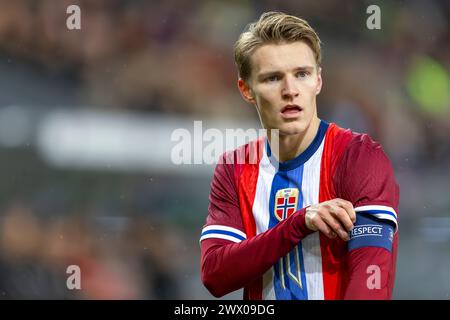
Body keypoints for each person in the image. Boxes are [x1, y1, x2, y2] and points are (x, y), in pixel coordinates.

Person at [199, 11, 399, 300]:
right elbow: (215, 275)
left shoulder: (358, 157)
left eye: (301, 74)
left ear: (318, 80)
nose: (290, 90)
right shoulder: (235, 168)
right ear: (246, 89)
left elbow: (371, 280)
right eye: (272, 78)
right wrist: (298, 223)